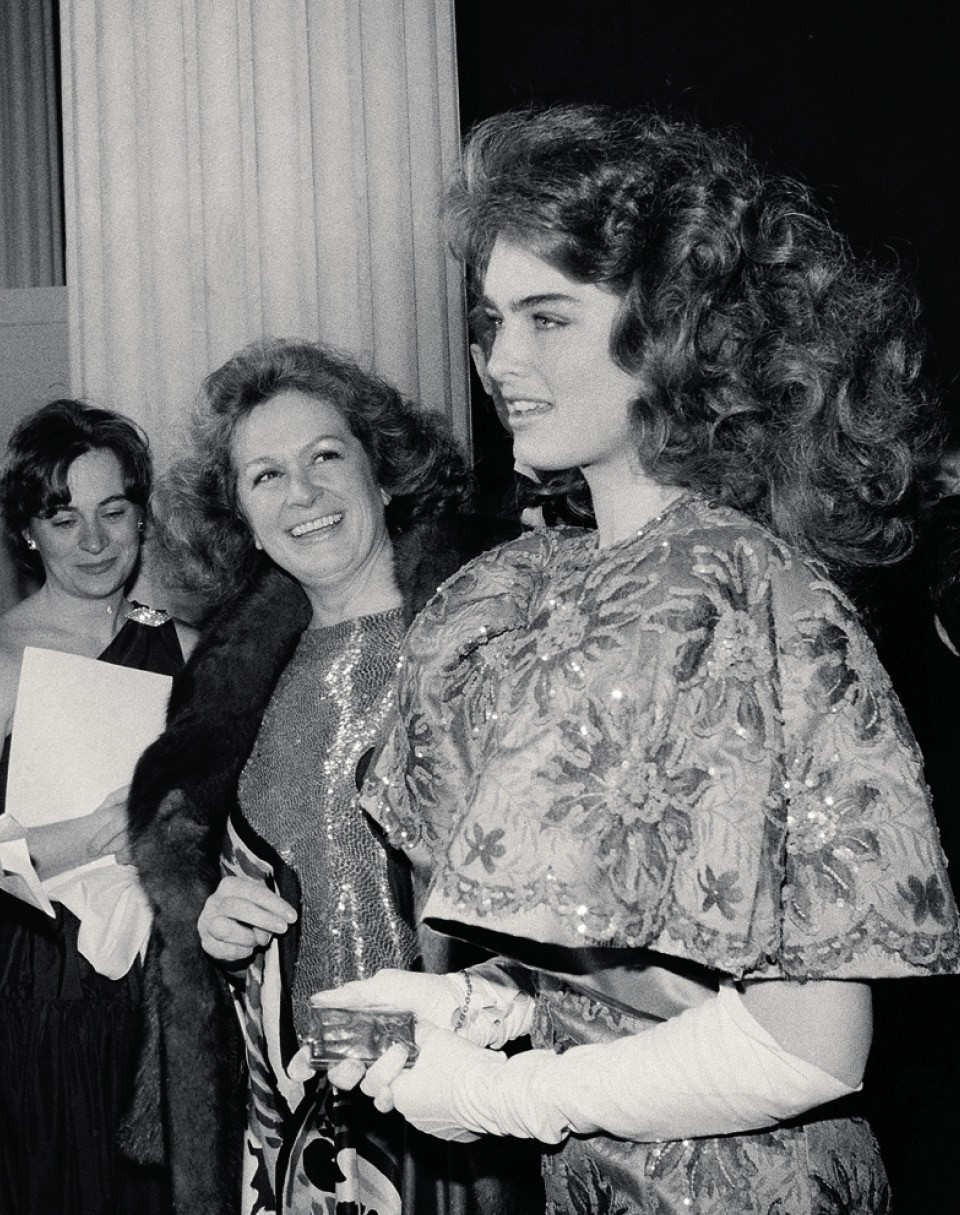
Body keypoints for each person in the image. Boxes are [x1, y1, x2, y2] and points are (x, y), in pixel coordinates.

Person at [305, 106, 960, 1215]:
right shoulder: (537, 587)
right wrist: (478, 1009)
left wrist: (512, 1095)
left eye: (548, 318)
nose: (501, 361)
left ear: (674, 332)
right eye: (493, 320)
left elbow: (810, 1042)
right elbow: (646, 975)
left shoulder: (746, 594)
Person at [119, 338, 538, 1215]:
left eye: (325, 456)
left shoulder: (497, 638)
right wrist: (212, 920)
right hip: (289, 1138)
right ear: (241, 514)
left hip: (461, 1124)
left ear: (382, 472)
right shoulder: (223, 689)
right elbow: (226, 903)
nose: (302, 493)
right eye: (266, 475)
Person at [0, 399, 195, 1215]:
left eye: (113, 511)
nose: (93, 541)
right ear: (27, 532)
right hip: (37, 993)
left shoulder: (184, 646)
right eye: (63, 518)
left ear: (142, 516)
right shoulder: (4, 658)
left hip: (165, 990)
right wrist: (89, 833)